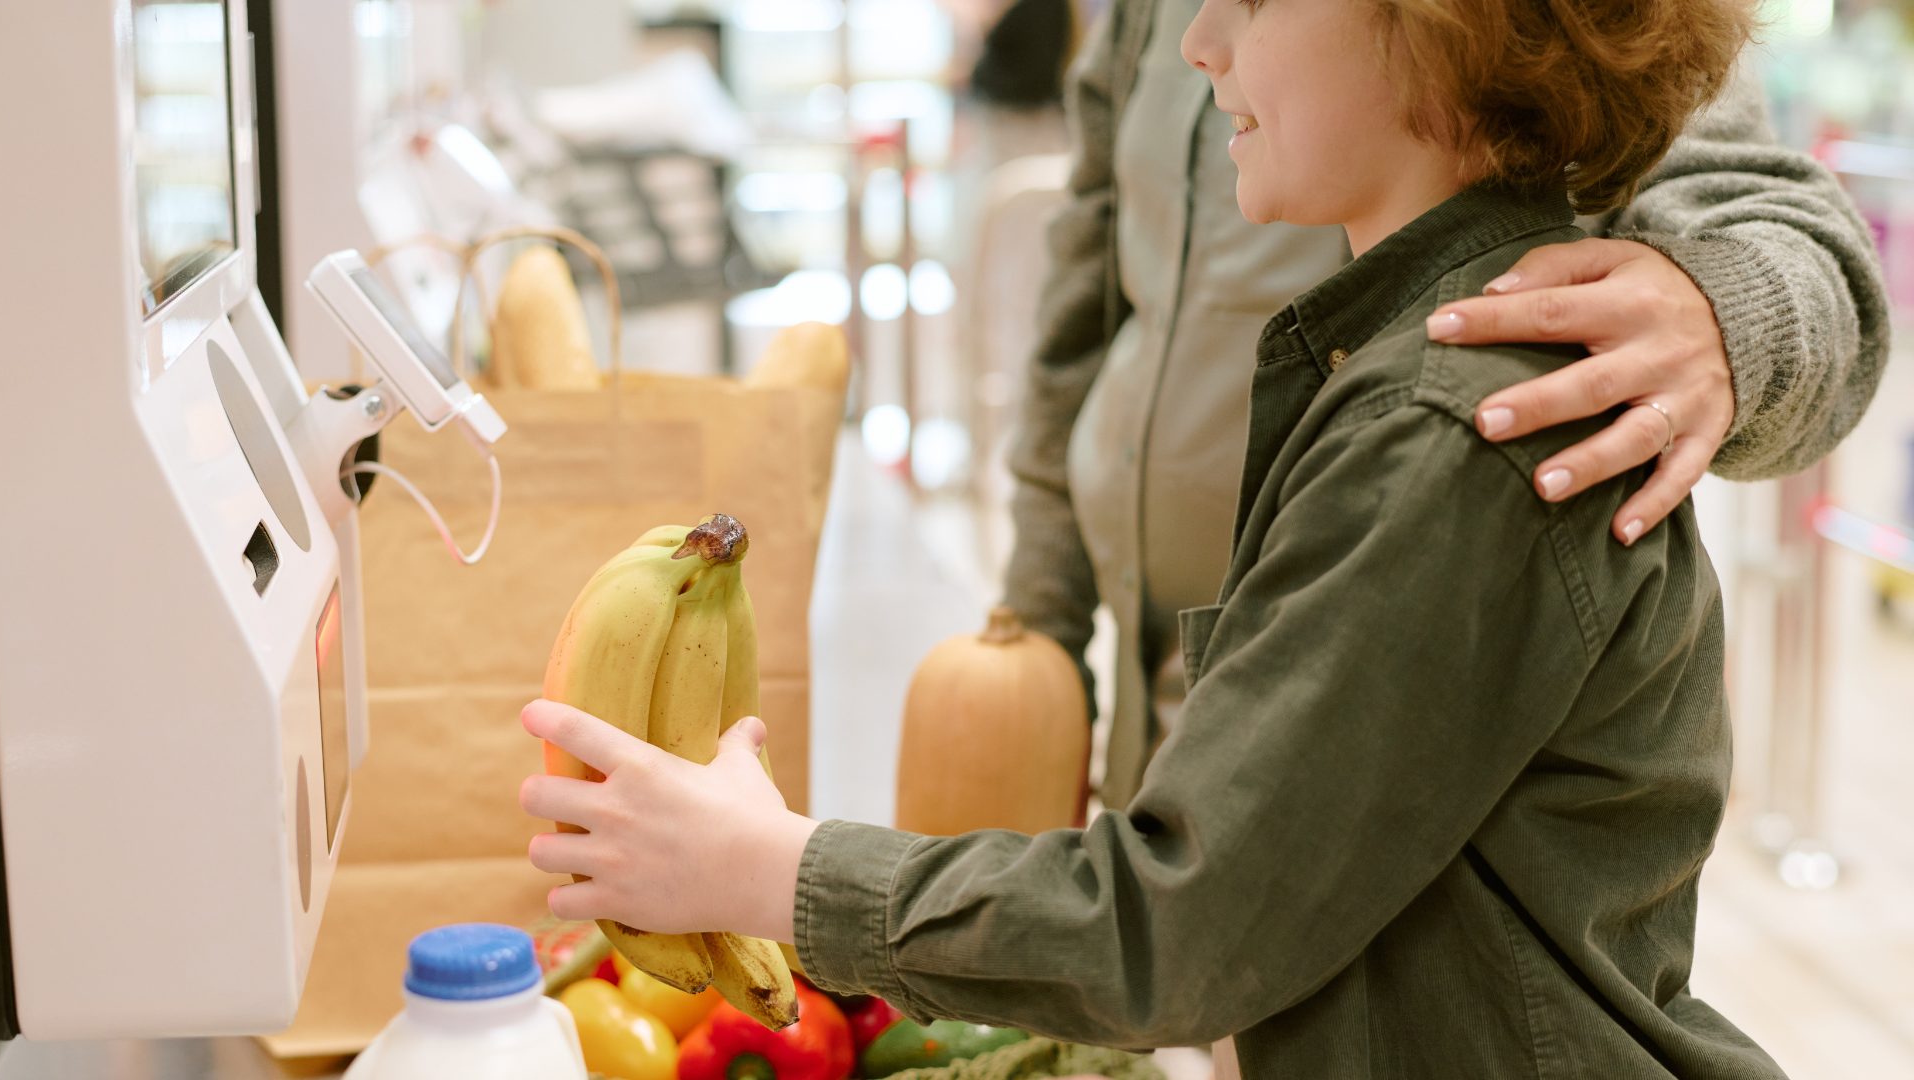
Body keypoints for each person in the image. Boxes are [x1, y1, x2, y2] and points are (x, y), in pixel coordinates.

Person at [519, 0, 1822, 1074]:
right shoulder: (1400, 375)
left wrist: (772, 870)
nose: (1196, 43)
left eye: (1248, 1)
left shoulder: (1454, 431)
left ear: (1445, 27)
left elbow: (1181, 932)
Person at [1004, 0, 1890, 816]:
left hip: (1386, 738)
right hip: (1153, 688)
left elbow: (1794, 236)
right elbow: (1091, 289)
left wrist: (1724, 309)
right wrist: (1037, 636)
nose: (1207, 42)